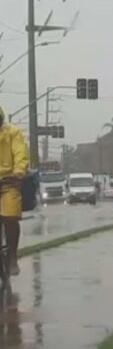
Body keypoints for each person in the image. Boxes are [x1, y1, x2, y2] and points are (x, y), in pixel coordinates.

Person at [0, 106, 29, 276]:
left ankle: (12, 257)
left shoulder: (13, 133)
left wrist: (18, 172)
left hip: (8, 182)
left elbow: (21, 155)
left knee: (10, 217)